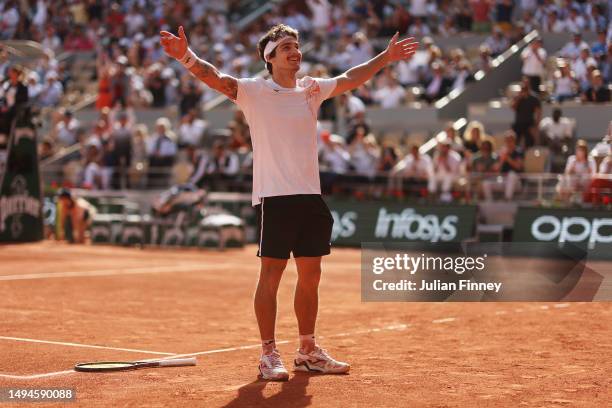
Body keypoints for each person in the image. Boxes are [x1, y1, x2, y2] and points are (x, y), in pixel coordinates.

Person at [160, 23, 418, 381]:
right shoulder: (253, 91)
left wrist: (386, 57)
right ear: (269, 57)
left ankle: (308, 350)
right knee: (271, 277)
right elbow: (215, 77)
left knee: (310, 276)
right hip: (275, 197)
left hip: (310, 197)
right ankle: (268, 353)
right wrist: (185, 57)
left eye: (297, 46)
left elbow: (351, 77)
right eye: (286, 47)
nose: (295, 52)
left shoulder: (311, 89)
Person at [482, 131, 524, 201]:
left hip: (517, 182)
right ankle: (489, 202)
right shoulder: (502, 152)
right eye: (507, 141)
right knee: (486, 183)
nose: (509, 143)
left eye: (511, 140)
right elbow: (497, 169)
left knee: (511, 175)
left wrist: (507, 158)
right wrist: (502, 160)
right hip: (504, 180)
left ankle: (507, 199)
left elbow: (518, 166)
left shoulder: (519, 151)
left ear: (514, 141)